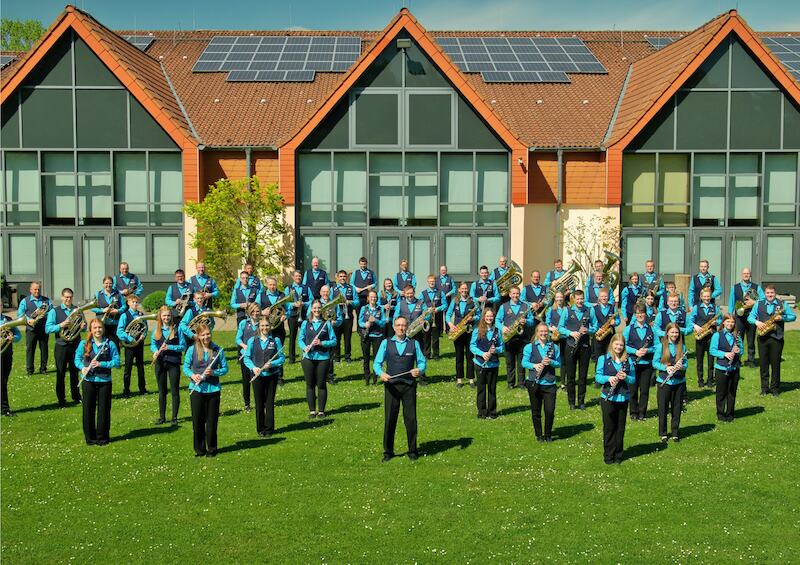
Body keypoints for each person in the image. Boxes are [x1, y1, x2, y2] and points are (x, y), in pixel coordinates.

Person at [374, 316, 426, 462]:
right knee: (390, 419)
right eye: (398, 325)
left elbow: (422, 363)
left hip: (409, 386)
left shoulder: (414, 344)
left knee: (411, 419)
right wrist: (381, 374)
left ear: (407, 327)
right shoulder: (386, 343)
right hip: (391, 387)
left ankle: (412, 450)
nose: (401, 328)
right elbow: (377, 364)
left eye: (403, 325)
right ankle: (388, 452)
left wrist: (419, 370)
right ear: (394, 327)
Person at [184, 325, 228, 457]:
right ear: (198, 336)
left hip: (213, 390)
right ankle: (200, 449)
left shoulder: (218, 350)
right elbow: (186, 367)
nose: (206, 337)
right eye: (203, 335)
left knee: (212, 421)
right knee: (197, 421)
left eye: (208, 334)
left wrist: (214, 372)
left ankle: (212, 449)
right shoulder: (191, 349)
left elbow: (225, 369)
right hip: (197, 389)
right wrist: (193, 375)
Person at [75, 318, 121, 446]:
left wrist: (102, 364)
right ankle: (90, 438)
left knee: (104, 410)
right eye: (95, 328)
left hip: (104, 381)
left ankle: (102, 438)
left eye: (100, 327)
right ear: (91, 329)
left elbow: (117, 362)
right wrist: (82, 368)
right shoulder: (84, 343)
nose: (97, 330)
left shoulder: (110, 344)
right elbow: (77, 359)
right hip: (88, 380)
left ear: (103, 329)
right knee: (88, 410)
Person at [594, 334, 635, 464]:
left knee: (620, 428)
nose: (618, 347)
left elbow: (633, 379)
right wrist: (608, 378)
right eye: (616, 344)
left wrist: (626, 377)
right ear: (612, 344)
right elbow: (597, 377)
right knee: (609, 427)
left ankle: (618, 455)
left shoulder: (628, 360)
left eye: (621, 345)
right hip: (608, 398)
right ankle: (608, 456)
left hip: (623, 398)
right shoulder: (603, 358)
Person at [749, 284, 796, 396]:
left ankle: (775, 388)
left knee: (776, 364)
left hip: (777, 338)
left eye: (772, 293)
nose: (770, 295)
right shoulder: (758, 303)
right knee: (763, 363)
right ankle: (764, 388)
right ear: (765, 294)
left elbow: (793, 316)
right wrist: (757, 322)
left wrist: (782, 317)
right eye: (768, 293)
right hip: (762, 337)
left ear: (775, 293)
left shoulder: (782, 304)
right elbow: (750, 317)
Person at [244, 317, 285, 437]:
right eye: (262, 325)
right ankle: (260, 428)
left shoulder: (276, 340)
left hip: (272, 375)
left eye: (267, 325)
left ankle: (269, 428)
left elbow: (282, 358)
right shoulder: (252, 340)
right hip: (257, 376)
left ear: (270, 326)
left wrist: (272, 364)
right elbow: (247, 358)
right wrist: (253, 368)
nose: (264, 328)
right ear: (259, 327)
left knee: (269, 402)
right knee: (259, 403)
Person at [521, 323, 561, 442]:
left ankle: (548, 434)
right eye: (541, 331)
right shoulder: (529, 347)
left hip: (549, 384)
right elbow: (524, 362)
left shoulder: (554, 347)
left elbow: (559, 363)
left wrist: (551, 362)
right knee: (536, 411)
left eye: (545, 331)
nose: (543, 333)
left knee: (550, 411)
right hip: (534, 383)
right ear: (537, 333)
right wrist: (535, 366)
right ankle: (539, 435)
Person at [298, 301, 337, 418]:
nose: (317, 310)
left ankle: (321, 411)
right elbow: (300, 339)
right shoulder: (305, 323)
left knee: (321, 384)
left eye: (319, 308)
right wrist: (304, 347)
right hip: (308, 358)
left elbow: (334, 341)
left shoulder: (327, 323)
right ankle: (312, 411)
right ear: (311, 309)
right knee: (310, 385)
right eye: (315, 308)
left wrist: (322, 343)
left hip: (323, 358)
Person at [45, 288, 84, 406]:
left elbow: (84, 326)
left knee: (75, 372)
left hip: (75, 345)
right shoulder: (54, 311)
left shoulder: (77, 310)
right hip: (61, 346)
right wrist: (60, 325)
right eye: (66, 297)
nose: (68, 299)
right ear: (62, 297)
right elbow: (47, 329)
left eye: (70, 297)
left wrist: (83, 327)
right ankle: (61, 399)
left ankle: (76, 396)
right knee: (60, 373)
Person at [558, 289, 595, 410]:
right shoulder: (567, 310)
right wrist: (571, 333)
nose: (580, 301)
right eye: (578, 299)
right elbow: (560, 327)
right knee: (571, 377)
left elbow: (595, 327)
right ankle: (571, 402)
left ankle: (581, 401)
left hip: (584, 347)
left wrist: (588, 330)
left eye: (582, 299)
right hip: (570, 346)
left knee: (583, 376)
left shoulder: (589, 310)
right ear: (574, 299)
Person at [653, 323, 688, 442]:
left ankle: (675, 432)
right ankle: (663, 433)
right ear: (667, 333)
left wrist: (681, 366)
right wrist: (666, 368)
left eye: (676, 332)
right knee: (663, 408)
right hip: (664, 382)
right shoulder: (661, 346)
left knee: (676, 408)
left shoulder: (682, 347)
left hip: (679, 382)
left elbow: (686, 364)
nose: (674, 334)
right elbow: (654, 363)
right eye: (672, 332)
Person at [150, 306, 186, 425]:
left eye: (168, 315)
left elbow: (183, 346)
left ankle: (174, 417)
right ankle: (162, 417)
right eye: (164, 315)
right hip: (160, 363)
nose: (166, 317)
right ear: (160, 316)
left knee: (174, 390)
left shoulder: (177, 329)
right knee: (162, 391)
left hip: (173, 363)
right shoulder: (156, 329)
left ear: (171, 316)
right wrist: (155, 351)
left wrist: (169, 347)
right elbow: (153, 344)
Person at [470, 308, 505, 419]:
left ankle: (492, 412)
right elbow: (472, 346)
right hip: (480, 364)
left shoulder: (497, 331)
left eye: (491, 316)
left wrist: (496, 350)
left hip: (493, 365)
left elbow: (502, 347)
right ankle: (481, 412)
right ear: (484, 317)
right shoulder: (477, 330)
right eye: (487, 316)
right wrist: (482, 353)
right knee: (481, 389)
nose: (489, 318)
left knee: (492, 389)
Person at [496, 286, 533, 389]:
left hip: (522, 339)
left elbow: (532, 321)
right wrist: (503, 327)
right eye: (513, 293)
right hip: (509, 338)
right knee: (510, 362)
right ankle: (510, 383)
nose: (515, 295)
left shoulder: (526, 306)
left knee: (521, 362)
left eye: (517, 293)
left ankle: (522, 383)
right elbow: (497, 320)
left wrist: (526, 321)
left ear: (519, 294)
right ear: (509, 294)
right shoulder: (503, 306)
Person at [623, 304, 655, 421]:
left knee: (644, 390)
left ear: (645, 314)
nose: (640, 315)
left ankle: (642, 412)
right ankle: (633, 412)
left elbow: (658, 346)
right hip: (633, 364)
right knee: (632, 390)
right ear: (635, 315)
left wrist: (648, 350)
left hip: (646, 364)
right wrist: (635, 351)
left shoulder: (652, 329)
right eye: (637, 313)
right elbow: (623, 345)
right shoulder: (628, 329)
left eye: (642, 312)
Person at [728, 268, 764, 368]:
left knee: (751, 340)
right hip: (739, 318)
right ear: (741, 275)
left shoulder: (756, 287)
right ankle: (737, 360)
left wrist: (754, 302)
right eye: (744, 273)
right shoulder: (735, 287)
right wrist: (730, 316)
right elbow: (731, 303)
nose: (746, 275)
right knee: (738, 339)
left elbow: (763, 300)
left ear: (750, 275)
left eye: (748, 273)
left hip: (752, 316)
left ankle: (751, 360)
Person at [710, 314, 743, 422]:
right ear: (723, 322)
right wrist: (724, 354)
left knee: (732, 392)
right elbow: (712, 350)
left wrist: (738, 351)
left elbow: (742, 350)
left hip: (734, 368)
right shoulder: (717, 335)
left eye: (732, 322)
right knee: (721, 393)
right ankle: (720, 414)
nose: (730, 324)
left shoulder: (737, 336)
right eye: (728, 321)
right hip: (721, 368)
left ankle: (730, 414)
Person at [447, 282, 479, 389]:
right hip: (458, 331)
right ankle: (459, 379)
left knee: (470, 356)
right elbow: (448, 315)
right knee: (459, 356)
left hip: (470, 332)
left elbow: (479, 315)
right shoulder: (454, 301)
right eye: (462, 288)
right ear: (459, 290)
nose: (464, 290)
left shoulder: (473, 301)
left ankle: (471, 379)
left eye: (466, 288)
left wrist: (473, 318)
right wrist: (451, 325)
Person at [116, 294, 148, 397]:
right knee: (128, 368)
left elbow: (145, 327)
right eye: (133, 302)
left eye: (136, 302)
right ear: (128, 303)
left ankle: (142, 389)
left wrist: (143, 335)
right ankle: (126, 390)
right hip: (129, 345)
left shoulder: (141, 315)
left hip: (139, 344)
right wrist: (130, 338)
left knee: (140, 367)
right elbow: (119, 331)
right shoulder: (124, 315)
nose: (135, 304)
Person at [17, 281, 52, 375]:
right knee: (30, 349)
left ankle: (43, 369)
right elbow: (20, 314)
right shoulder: (25, 301)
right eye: (35, 289)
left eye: (38, 289)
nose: (37, 291)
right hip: (31, 329)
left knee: (44, 349)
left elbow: (52, 313)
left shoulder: (47, 300)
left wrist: (45, 315)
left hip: (43, 328)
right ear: (30, 290)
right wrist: (29, 320)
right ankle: (30, 370)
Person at [689, 288, 720, 389]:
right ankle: (700, 380)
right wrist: (695, 326)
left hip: (712, 336)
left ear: (711, 297)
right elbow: (690, 320)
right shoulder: (696, 307)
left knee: (711, 360)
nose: (707, 298)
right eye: (705, 296)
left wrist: (716, 322)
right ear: (701, 297)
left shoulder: (715, 307)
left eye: (708, 296)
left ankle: (710, 380)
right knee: (699, 360)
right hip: (700, 336)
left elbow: (720, 319)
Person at [235, 303, 261, 411]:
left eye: (257, 311)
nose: (255, 313)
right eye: (253, 311)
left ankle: (260, 402)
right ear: (249, 312)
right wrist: (244, 346)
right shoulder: (243, 323)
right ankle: (247, 404)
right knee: (246, 381)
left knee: (258, 381)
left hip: (258, 356)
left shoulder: (262, 323)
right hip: (246, 356)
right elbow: (238, 339)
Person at [358, 290, 387, 385]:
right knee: (366, 358)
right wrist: (364, 324)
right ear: (368, 298)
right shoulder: (364, 308)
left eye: (374, 297)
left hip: (377, 336)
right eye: (371, 297)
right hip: (366, 336)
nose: (373, 298)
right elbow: (359, 321)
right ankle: (367, 378)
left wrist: (376, 320)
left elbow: (383, 323)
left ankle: (375, 378)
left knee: (376, 358)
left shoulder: (380, 308)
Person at [331, 270, 359, 363]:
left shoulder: (352, 288)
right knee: (336, 337)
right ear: (338, 278)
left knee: (347, 338)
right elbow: (329, 302)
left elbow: (357, 302)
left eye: (344, 276)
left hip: (348, 316)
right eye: (341, 276)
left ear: (346, 277)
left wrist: (349, 302)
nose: (342, 278)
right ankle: (336, 357)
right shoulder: (333, 289)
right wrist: (336, 303)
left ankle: (347, 357)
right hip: (336, 316)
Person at [286, 270, 312, 364]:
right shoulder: (288, 288)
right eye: (296, 276)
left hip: (303, 315)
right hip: (292, 316)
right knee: (292, 336)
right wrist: (293, 304)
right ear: (293, 277)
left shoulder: (306, 288)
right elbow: (285, 302)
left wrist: (304, 304)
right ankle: (291, 358)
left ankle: (305, 355)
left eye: (299, 276)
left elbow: (311, 300)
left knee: (305, 336)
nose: (298, 278)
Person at [319, 285, 342, 385]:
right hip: (319, 332)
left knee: (331, 355)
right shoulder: (316, 303)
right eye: (323, 292)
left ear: (330, 293)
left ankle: (330, 376)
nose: (325, 294)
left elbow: (340, 319)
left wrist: (335, 322)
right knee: (319, 353)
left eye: (327, 292)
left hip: (331, 331)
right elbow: (309, 316)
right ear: (320, 293)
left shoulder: (334, 304)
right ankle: (320, 376)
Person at [420, 275, 447, 360]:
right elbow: (420, 304)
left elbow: (445, 305)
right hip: (427, 319)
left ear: (435, 282)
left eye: (433, 281)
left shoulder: (440, 293)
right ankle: (426, 354)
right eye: (430, 281)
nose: (432, 283)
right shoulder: (423, 293)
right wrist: (427, 309)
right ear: (428, 282)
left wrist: (437, 309)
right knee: (426, 337)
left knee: (435, 338)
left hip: (437, 318)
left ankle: (436, 355)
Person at [1, 312, 22, 416]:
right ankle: (5, 408)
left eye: (0, 305)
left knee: (4, 381)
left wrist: (13, 338)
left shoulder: (8, 319)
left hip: (6, 353)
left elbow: (19, 335)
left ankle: (4, 407)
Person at [92, 276, 122, 349]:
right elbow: (92, 308)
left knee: (115, 345)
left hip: (114, 323)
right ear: (103, 284)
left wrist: (118, 311)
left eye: (110, 283)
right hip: (102, 324)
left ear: (113, 284)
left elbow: (124, 307)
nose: (108, 285)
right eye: (106, 283)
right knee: (102, 345)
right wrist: (102, 310)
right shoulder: (97, 294)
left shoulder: (118, 294)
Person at [546, 291, 568, 389]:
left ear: (563, 298)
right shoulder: (550, 309)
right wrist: (551, 328)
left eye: (561, 297)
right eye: (557, 297)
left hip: (563, 336)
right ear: (555, 298)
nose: (559, 299)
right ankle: (551, 380)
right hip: (554, 336)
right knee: (551, 357)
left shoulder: (567, 309)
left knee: (563, 359)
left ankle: (563, 382)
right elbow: (547, 323)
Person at [590, 288, 619, 363]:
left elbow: (618, 320)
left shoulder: (613, 308)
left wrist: (615, 322)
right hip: (599, 336)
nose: (604, 298)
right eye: (602, 296)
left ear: (608, 297)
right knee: (599, 359)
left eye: (605, 296)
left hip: (610, 336)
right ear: (599, 297)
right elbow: (591, 322)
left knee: (610, 358)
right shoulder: (594, 309)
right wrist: (596, 330)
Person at [434, 265, 456, 331]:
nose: (443, 271)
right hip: (439, 300)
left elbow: (454, 289)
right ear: (440, 271)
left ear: (446, 270)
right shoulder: (436, 279)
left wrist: (449, 293)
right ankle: (440, 330)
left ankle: (447, 330)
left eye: (444, 270)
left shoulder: (450, 278)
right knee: (439, 315)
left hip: (448, 299)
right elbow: (434, 289)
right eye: (442, 270)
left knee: (447, 314)